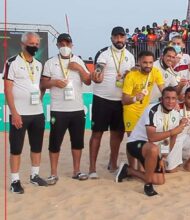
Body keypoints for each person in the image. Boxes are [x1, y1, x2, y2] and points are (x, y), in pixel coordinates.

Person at [116, 87, 186, 196]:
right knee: (153, 149)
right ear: (161, 99)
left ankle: (128, 170)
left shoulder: (176, 114)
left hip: (151, 148)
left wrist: (163, 157)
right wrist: (173, 131)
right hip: (136, 143)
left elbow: (169, 140)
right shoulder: (152, 110)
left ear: (177, 100)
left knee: (160, 180)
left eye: (173, 98)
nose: (170, 101)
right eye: (167, 98)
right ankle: (148, 185)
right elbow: (152, 137)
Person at [41, 33, 91, 184]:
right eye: (61, 44)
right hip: (58, 109)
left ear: (72, 45)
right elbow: (43, 84)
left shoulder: (78, 61)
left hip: (77, 109)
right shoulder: (50, 63)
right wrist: (54, 82)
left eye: (67, 44)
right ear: (57, 45)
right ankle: (53, 173)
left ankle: (77, 171)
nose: (64, 47)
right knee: (55, 142)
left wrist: (79, 69)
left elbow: (88, 81)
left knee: (77, 142)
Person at [3, 32, 48, 193]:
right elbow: (7, 89)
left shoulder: (38, 64)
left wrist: (41, 99)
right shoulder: (12, 62)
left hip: (37, 113)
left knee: (36, 146)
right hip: (19, 113)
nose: (35, 46)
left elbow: (39, 86)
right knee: (16, 148)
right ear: (23, 44)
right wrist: (14, 112)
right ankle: (15, 181)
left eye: (37, 44)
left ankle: (34, 176)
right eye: (32, 43)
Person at [89, 26, 135, 178]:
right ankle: (92, 169)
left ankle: (113, 163)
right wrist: (97, 74)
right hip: (102, 99)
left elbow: (132, 77)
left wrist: (129, 75)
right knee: (97, 134)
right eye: (116, 37)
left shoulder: (130, 56)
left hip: (120, 101)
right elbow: (99, 69)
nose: (119, 40)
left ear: (125, 38)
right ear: (111, 38)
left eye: (122, 37)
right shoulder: (104, 54)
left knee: (118, 135)